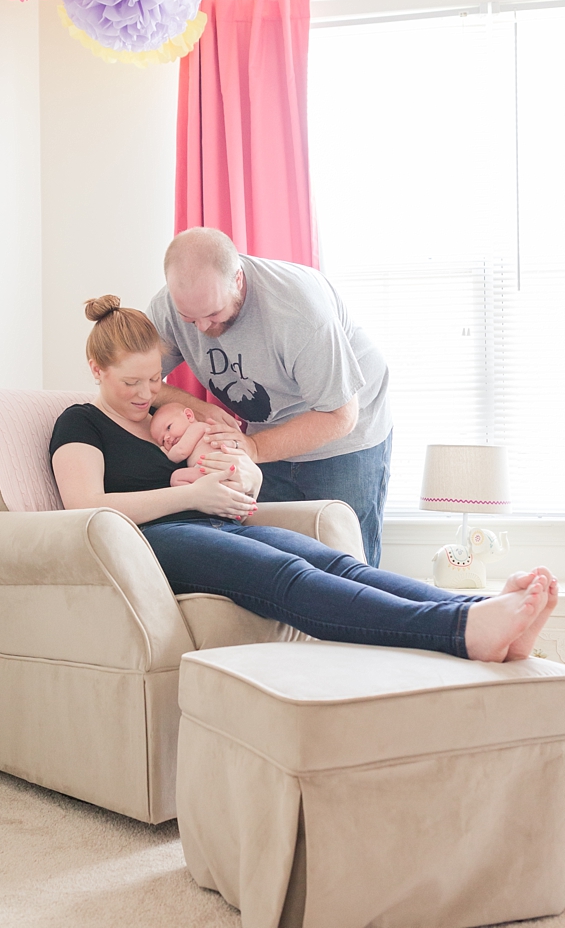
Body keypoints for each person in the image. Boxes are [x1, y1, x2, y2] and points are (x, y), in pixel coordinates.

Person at [49, 295, 558, 665]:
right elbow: (85, 505)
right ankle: (461, 630)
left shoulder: (164, 415)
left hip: (213, 524)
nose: (146, 393)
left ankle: (479, 606)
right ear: (96, 369)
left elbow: (217, 452)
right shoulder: (79, 422)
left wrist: (229, 478)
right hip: (153, 541)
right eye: (130, 383)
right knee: (288, 578)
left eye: (155, 378)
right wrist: (193, 494)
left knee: (337, 563)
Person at [146, 227, 393, 567]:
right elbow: (141, 380)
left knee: (348, 565)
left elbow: (340, 415)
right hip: (266, 429)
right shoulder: (168, 308)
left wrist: (255, 448)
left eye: (214, 314)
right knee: (279, 562)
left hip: (345, 430)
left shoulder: (298, 309)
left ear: (238, 280)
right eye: (190, 319)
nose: (202, 328)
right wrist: (201, 408)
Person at [150, 402, 215, 487]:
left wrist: (165, 454)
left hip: (216, 466)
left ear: (188, 416)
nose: (166, 438)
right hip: (211, 470)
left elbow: (181, 452)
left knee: (176, 478)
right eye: (162, 441)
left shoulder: (197, 428)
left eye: (168, 427)